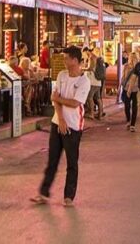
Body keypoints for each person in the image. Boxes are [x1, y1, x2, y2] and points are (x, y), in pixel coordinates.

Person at [31, 46, 90, 207]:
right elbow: (53, 98)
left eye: (66, 58)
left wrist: (59, 100)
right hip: (58, 123)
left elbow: (75, 103)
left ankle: (68, 196)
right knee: (52, 160)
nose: (63, 61)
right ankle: (43, 193)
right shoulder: (62, 75)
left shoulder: (84, 81)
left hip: (74, 127)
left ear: (75, 60)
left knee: (72, 162)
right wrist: (61, 119)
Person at [122, 52, 139, 132]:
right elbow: (123, 77)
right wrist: (121, 86)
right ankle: (129, 120)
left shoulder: (139, 67)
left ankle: (132, 124)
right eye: (131, 57)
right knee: (127, 105)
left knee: (134, 106)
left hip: (135, 89)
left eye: (134, 58)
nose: (132, 59)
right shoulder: (126, 66)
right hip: (126, 88)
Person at [89, 49, 106, 119]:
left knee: (90, 98)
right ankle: (100, 114)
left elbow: (90, 68)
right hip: (98, 82)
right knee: (98, 98)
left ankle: (92, 114)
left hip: (93, 82)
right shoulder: (101, 61)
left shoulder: (92, 59)